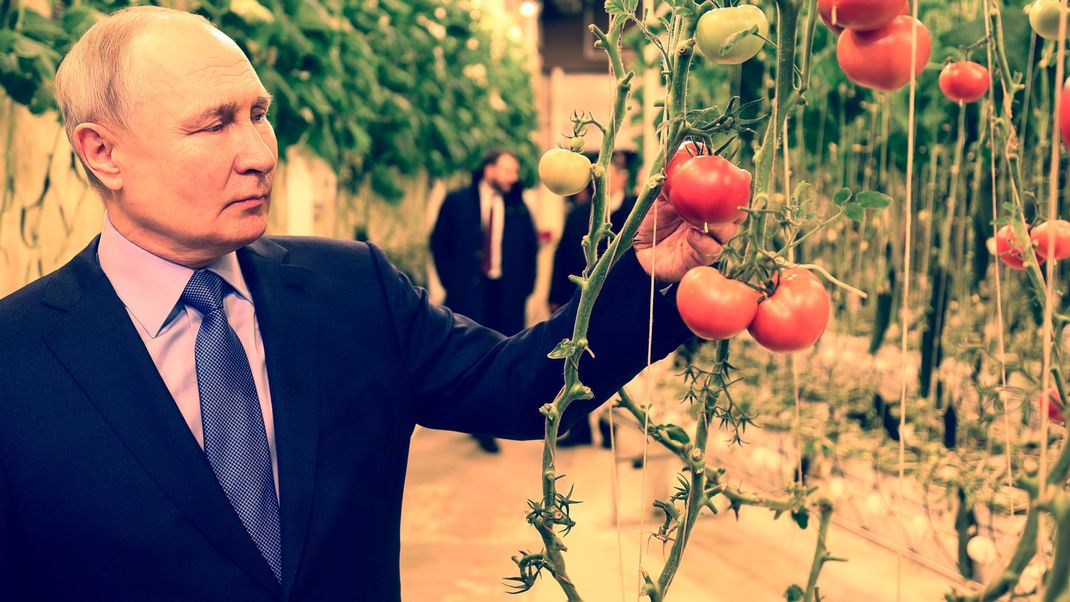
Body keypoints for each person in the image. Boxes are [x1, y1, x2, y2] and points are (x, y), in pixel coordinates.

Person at [0, 7, 736, 601]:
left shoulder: (349, 289)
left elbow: (524, 389)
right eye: (215, 122)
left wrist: (647, 274)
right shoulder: (19, 359)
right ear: (103, 152)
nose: (260, 150)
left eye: (259, 113)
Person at [430, 149, 538, 452]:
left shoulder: (518, 207)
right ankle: (474, 419)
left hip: (506, 294)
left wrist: (524, 288)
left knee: (503, 351)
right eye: (508, 170)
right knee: (470, 355)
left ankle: (491, 417)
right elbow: (439, 242)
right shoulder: (457, 202)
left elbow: (530, 250)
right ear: (489, 170)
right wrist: (451, 281)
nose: (513, 177)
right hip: (469, 293)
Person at [548, 151, 638, 448]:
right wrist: (555, 297)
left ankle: (611, 426)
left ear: (622, 177)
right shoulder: (579, 212)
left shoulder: (636, 211)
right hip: (581, 301)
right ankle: (580, 427)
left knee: (616, 361)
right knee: (578, 361)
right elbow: (562, 257)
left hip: (622, 300)